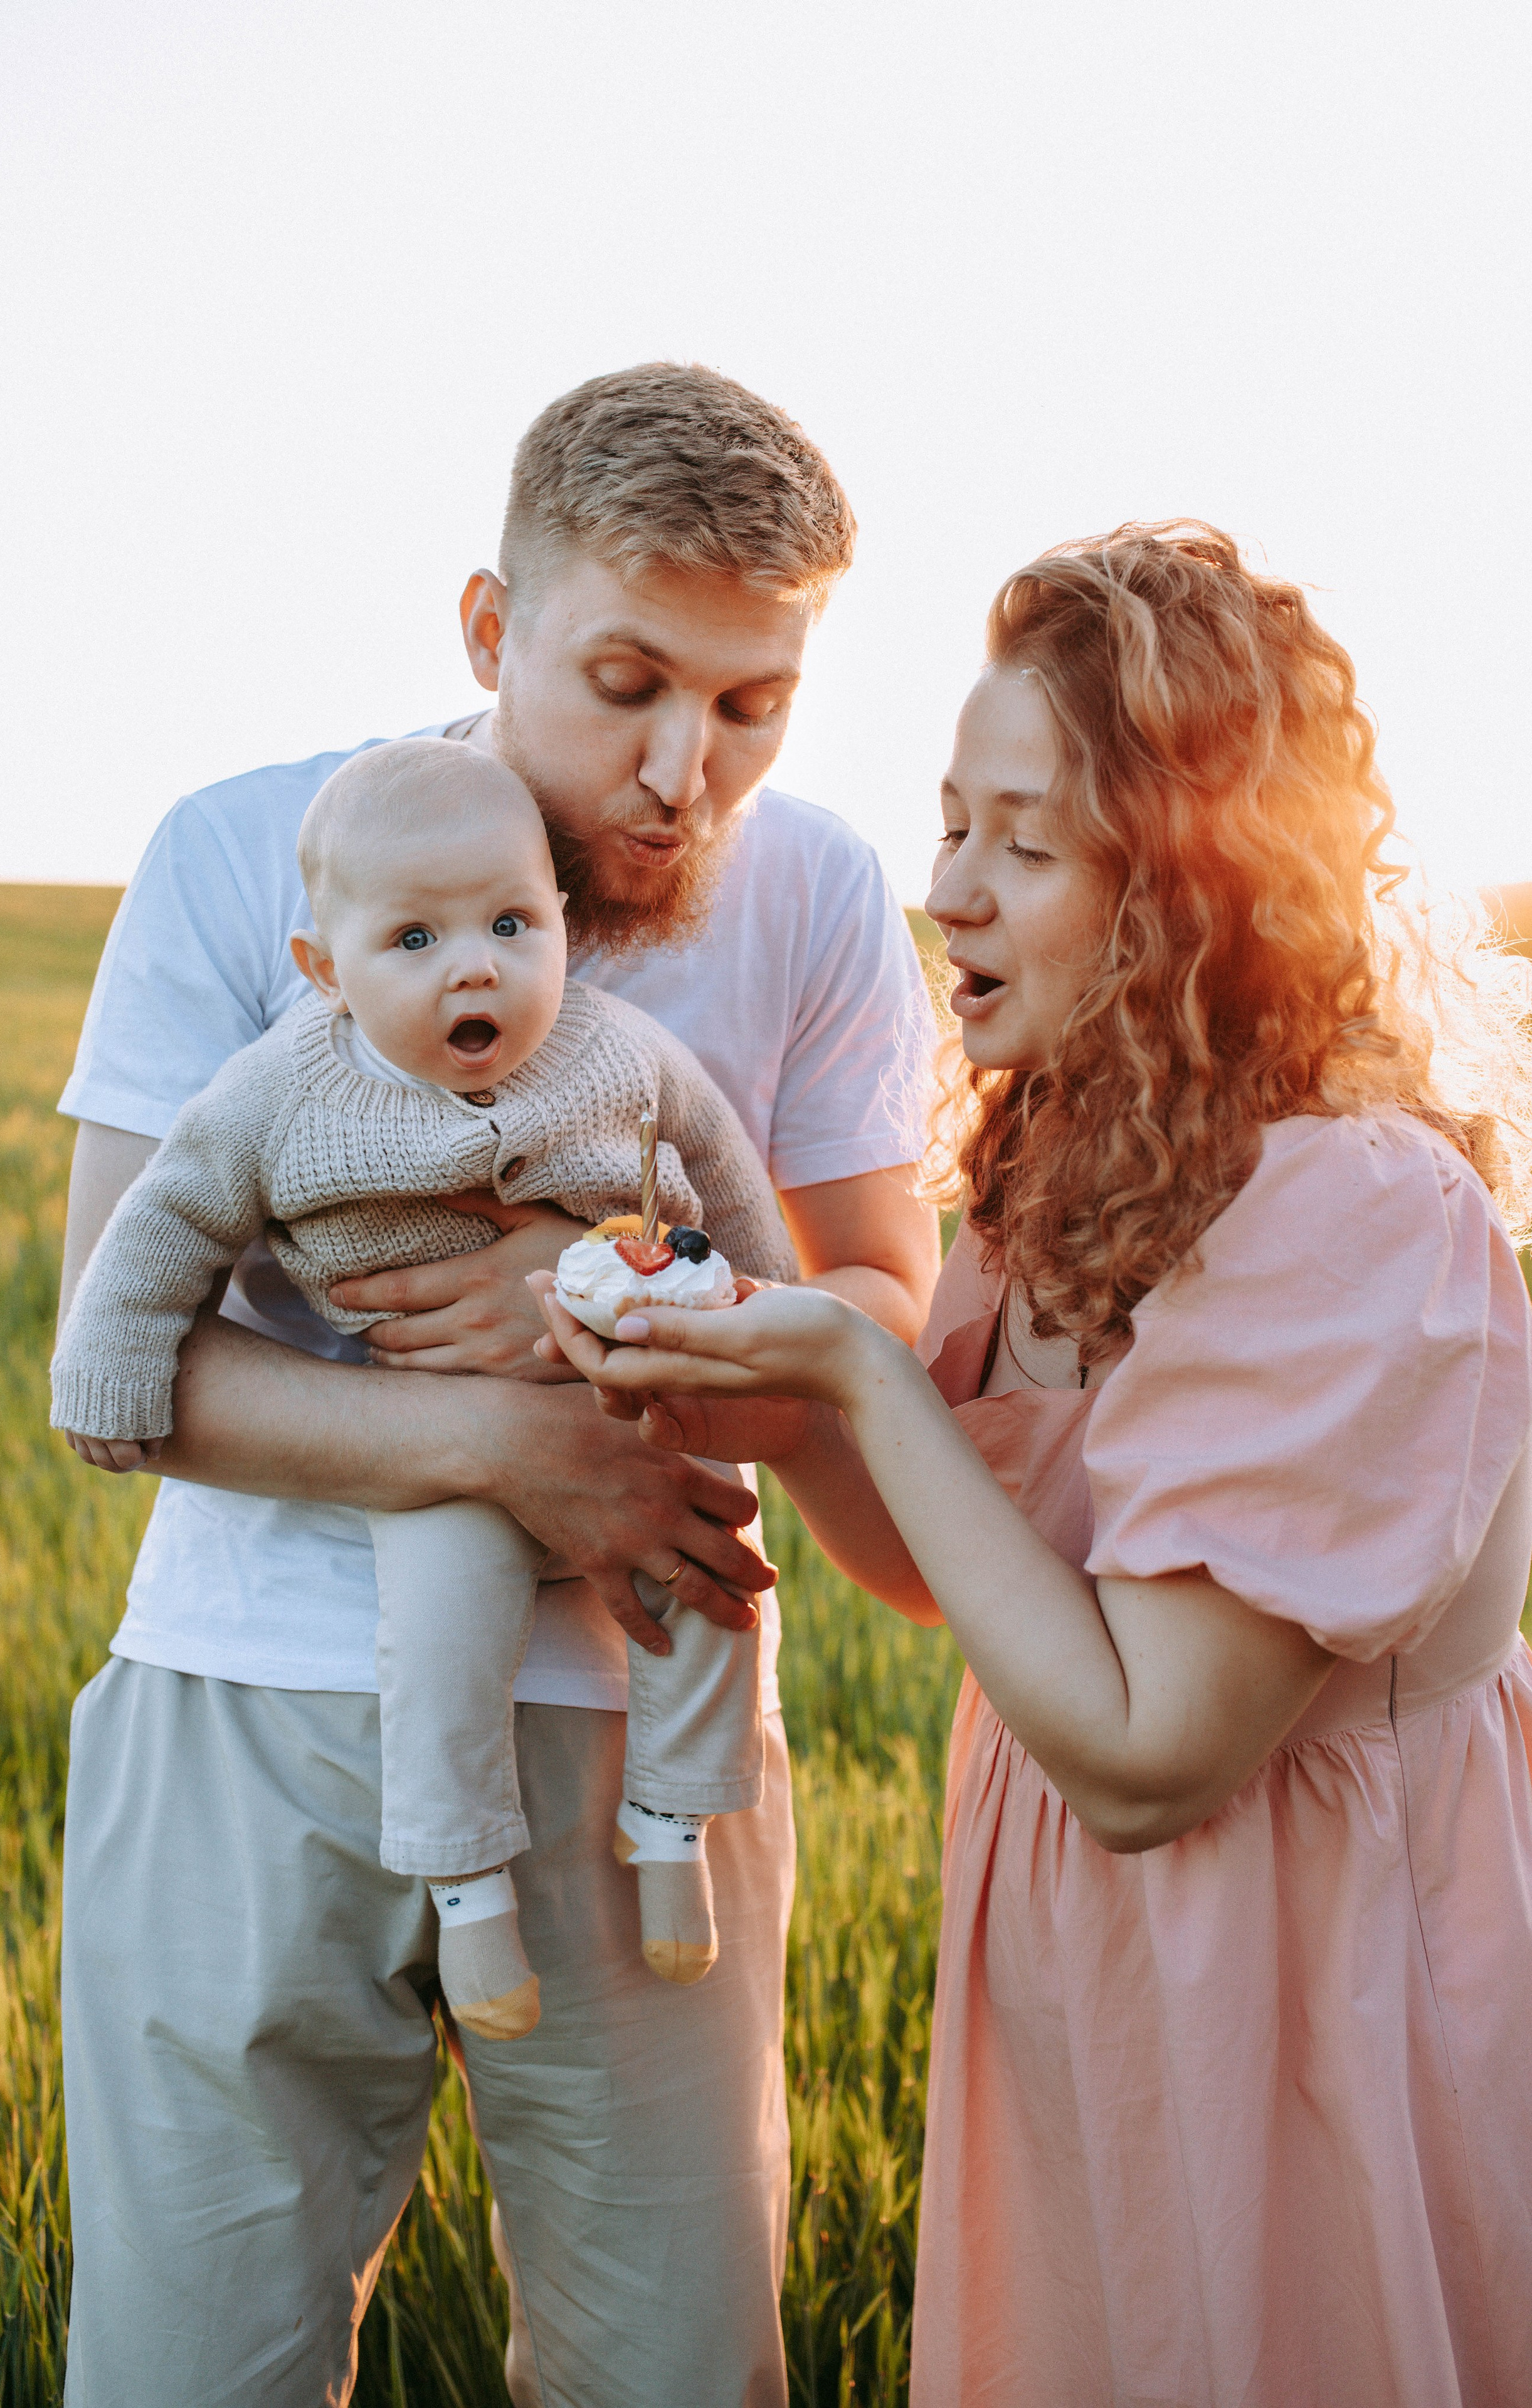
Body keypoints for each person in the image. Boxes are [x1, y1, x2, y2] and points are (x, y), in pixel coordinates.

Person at [536, 524, 1532, 2408]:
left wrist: (853, 1361)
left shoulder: (1352, 1210)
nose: (945, 892)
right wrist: (766, 1402)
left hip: (1311, 2003)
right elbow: (957, 1576)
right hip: (1093, 1991)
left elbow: (1151, 1756)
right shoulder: (1070, 1155)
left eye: (1026, 844)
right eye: (949, 824)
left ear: (1185, 895)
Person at [56, 362, 942, 2408]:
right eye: (628, 684)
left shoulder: (816, 891)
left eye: (752, 703)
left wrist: (636, 1284)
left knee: (674, 2376)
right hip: (245, 1714)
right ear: (488, 626)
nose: (685, 770)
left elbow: (880, 1306)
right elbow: (121, 1348)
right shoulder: (240, 853)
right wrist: (511, 1446)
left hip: (653, 1754)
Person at [51, 736, 798, 2040]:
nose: (475, 966)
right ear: (324, 970)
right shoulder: (283, 1090)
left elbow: (722, 1172)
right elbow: (168, 1217)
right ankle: (468, 1892)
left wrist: (768, 1304)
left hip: (635, 1396)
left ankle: (672, 1821)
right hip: (440, 1437)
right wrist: (107, 1366)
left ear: (561, 921)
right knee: (443, 1627)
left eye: (511, 925)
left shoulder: (616, 1053)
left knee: (716, 1578)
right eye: (413, 941)